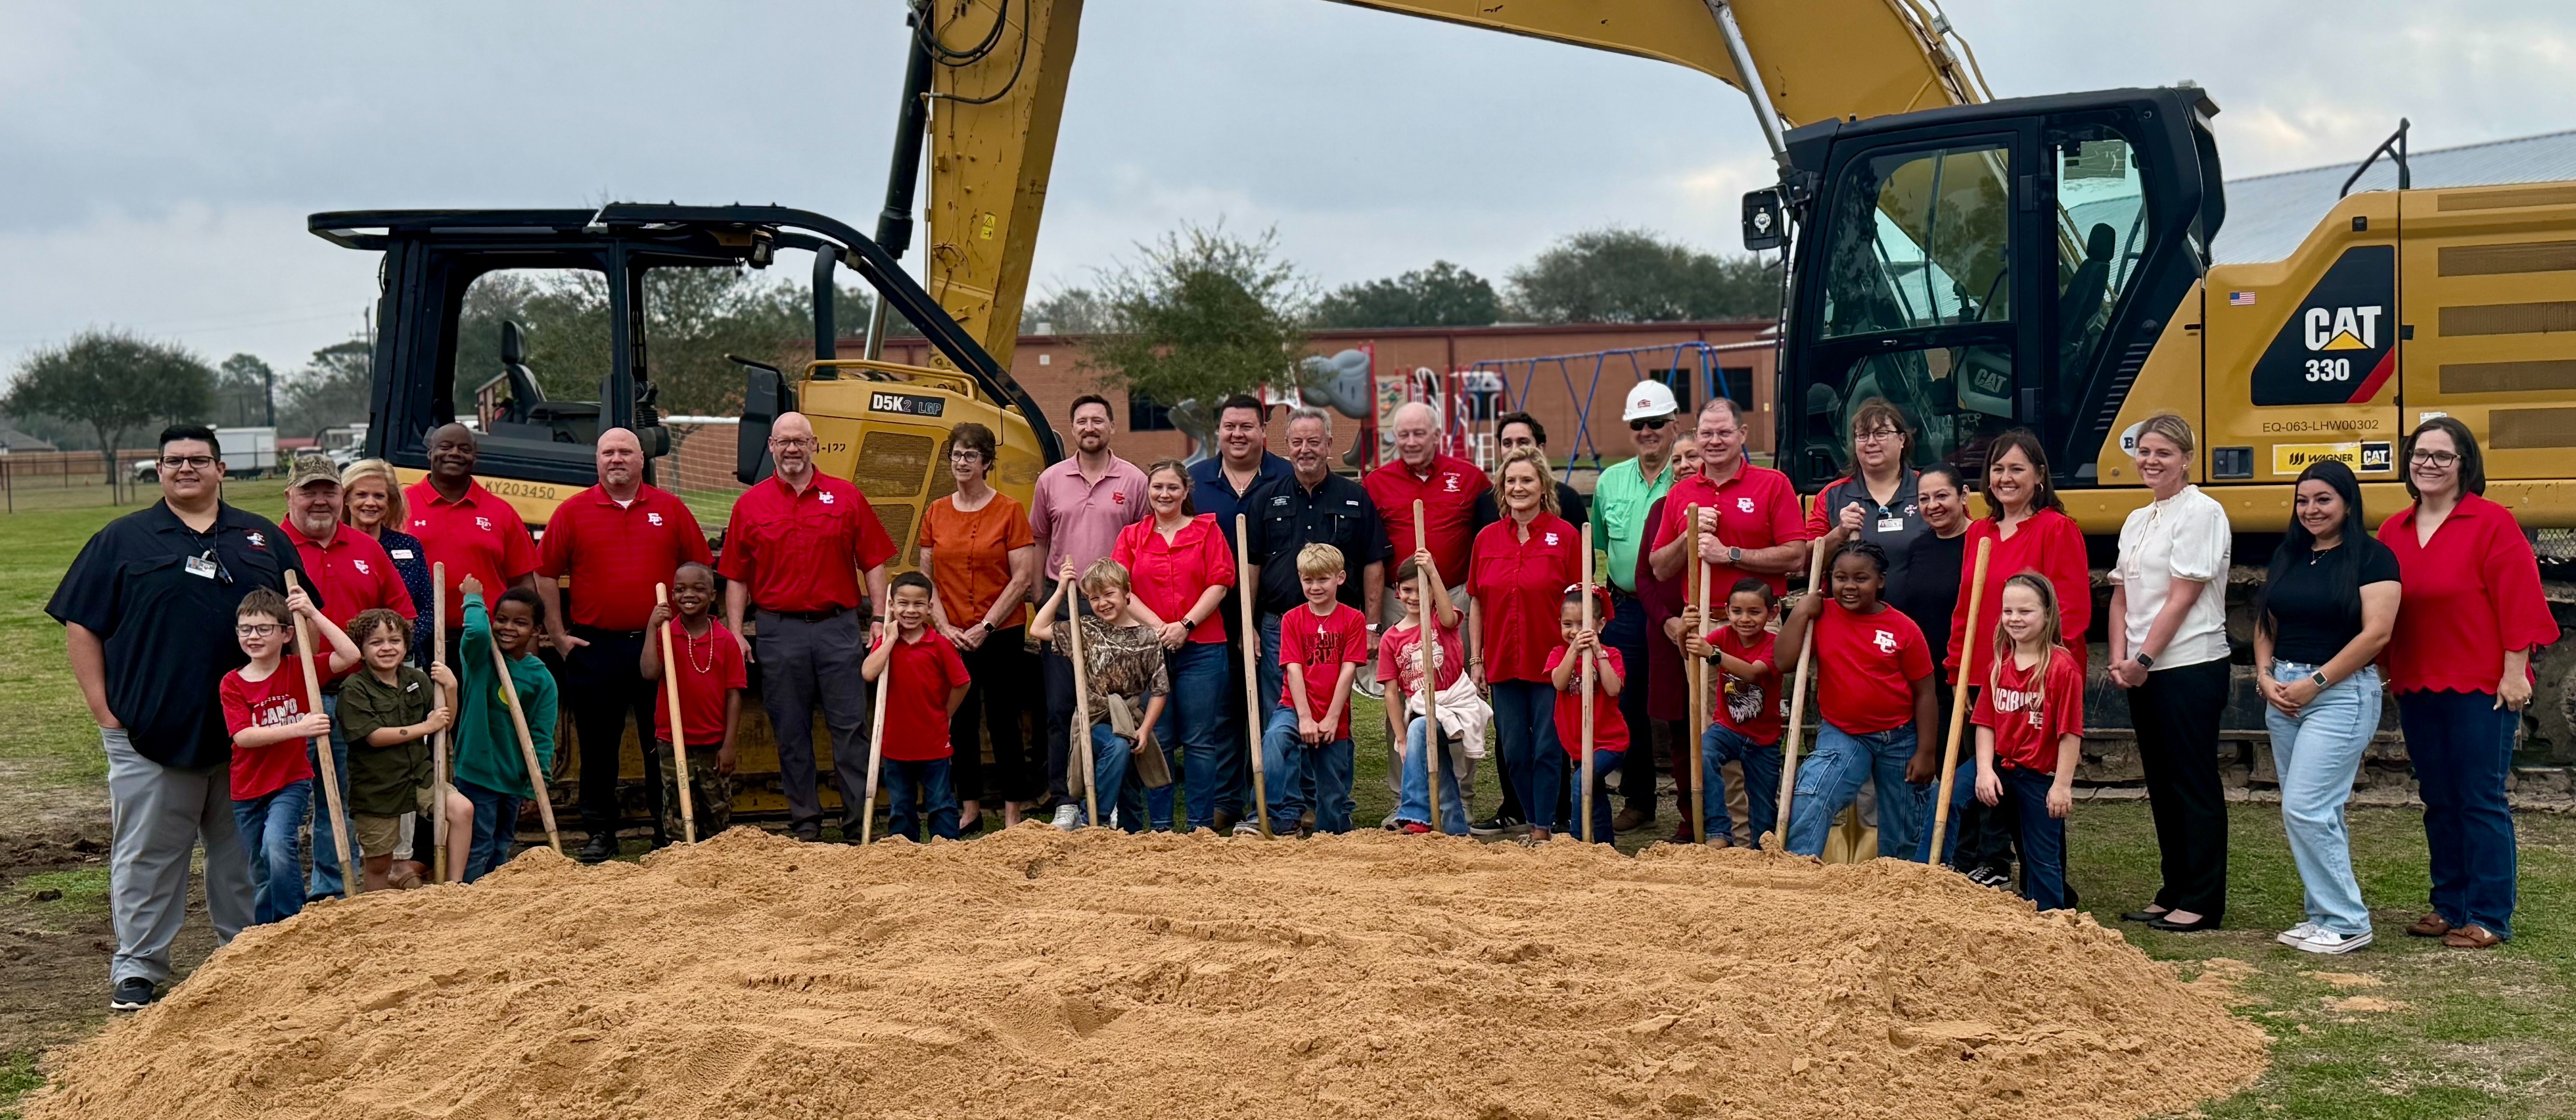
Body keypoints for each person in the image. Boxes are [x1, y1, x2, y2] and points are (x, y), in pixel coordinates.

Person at [49, 424, 311, 1012]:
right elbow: (81, 623)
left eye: (198, 459)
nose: (185, 468)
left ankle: (244, 957)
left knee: (243, 857)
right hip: (150, 733)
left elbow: (301, 619)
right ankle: (138, 970)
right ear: (159, 470)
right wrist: (104, 711)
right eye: (173, 460)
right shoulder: (122, 539)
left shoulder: (261, 537)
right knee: (147, 858)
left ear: (222, 469)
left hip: (254, 738)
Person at [2379, 417, 2557, 949]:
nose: (2428, 464)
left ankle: (2487, 914)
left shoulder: (2492, 522)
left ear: (2464, 465)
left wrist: (2513, 671)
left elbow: (2519, 600)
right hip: (2418, 682)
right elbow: (2384, 605)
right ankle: (2448, 903)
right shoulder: (2394, 529)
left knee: (2480, 798)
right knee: (2438, 797)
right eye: (2420, 454)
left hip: (2483, 683)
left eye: (2442, 455)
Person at [538, 427, 714, 862]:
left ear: (641, 459)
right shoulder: (573, 512)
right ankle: (601, 832)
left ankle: (666, 827)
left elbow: (701, 569)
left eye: (625, 452)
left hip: (660, 646)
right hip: (595, 647)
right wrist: (558, 635)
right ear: (597, 460)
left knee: (662, 739)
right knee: (599, 745)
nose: (616, 459)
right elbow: (544, 573)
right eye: (608, 452)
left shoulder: (670, 509)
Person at [719, 411, 896, 842]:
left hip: (838, 629)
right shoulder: (750, 505)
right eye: (785, 442)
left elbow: (873, 561)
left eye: (801, 441)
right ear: (772, 447)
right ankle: (806, 824)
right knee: (791, 730)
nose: (793, 448)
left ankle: (859, 825)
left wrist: (878, 618)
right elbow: (737, 576)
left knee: (850, 728)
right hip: (779, 631)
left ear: (815, 444)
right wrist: (738, 631)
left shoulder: (847, 497)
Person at [2255, 460, 2401, 954]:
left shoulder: (2374, 558)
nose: (2311, 509)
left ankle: (2347, 920)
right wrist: (2264, 674)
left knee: (2306, 805)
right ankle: (2323, 914)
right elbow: (2266, 621)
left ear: (2347, 502)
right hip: (2285, 692)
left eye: (2323, 499)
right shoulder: (2290, 554)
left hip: (2340, 694)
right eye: (2303, 500)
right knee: (2317, 809)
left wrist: (2316, 682)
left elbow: (2377, 633)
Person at [2105, 415, 2230, 932]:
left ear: (2187, 459)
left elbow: (2184, 595)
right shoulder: (2138, 518)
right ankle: (2173, 887)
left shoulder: (2202, 512)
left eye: (2164, 453)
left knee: (2192, 782)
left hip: (2189, 664)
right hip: (2143, 668)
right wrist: (2120, 657)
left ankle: (2202, 897)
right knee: (2161, 781)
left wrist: (2145, 658)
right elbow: (2121, 595)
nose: (2152, 461)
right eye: (2145, 452)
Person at [280, 453, 418, 900]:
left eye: (328, 491)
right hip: (289, 696)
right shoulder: (270, 547)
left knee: (339, 798)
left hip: (355, 698)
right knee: (280, 800)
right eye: (309, 491)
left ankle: (330, 889)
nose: (320, 501)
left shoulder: (366, 549)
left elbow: (403, 615)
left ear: (341, 496)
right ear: (290, 496)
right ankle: (274, 901)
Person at [1776, 541, 1939, 860]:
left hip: (1899, 736)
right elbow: (1782, 661)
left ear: (1881, 581)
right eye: (1840, 577)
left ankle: (1900, 881)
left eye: (1861, 578)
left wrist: (1927, 751)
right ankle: (1797, 869)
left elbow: (1925, 693)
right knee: (1813, 791)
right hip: (1844, 733)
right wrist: (1799, 612)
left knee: (1905, 820)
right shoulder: (1820, 617)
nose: (1849, 586)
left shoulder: (1904, 629)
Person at [1030, 395, 1150, 829]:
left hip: (1115, 607)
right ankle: (1066, 800)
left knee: (1117, 707)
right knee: (1062, 708)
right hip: (1064, 604)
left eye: (1098, 419)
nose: (1090, 426)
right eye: (1082, 420)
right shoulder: (1051, 479)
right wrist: (1039, 594)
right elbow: (1040, 540)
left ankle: (1112, 798)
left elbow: (1141, 543)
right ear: (1073, 428)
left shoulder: (1135, 480)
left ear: (1112, 427)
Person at [915, 422, 1040, 829]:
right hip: (951, 633)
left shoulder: (1009, 510)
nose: (962, 461)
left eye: (971, 455)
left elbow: (1021, 578)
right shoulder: (936, 511)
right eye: (956, 454)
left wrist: (985, 626)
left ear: (987, 462)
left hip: (1000, 632)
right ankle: (968, 806)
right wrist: (946, 626)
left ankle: (1012, 810)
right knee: (959, 720)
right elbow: (926, 577)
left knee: (1003, 720)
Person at [1245, 408, 1389, 737]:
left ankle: (1333, 787)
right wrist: (1249, 625)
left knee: (1335, 713)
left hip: (1339, 626)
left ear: (1329, 444)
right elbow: (1252, 565)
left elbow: (1373, 563)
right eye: (1297, 442)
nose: (1305, 449)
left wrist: (1371, 625)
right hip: (1278, 626)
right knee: (1280, 711)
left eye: (1314, 441)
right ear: (1286, 445)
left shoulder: (1356, 497)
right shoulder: (1266, 499)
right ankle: (1287, 786)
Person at [1114, 459, 1240, 831]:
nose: (1164, 494)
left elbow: (1220, 582)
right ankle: (1163, 827)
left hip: (1202, 646)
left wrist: (1185, 625)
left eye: (1172, 487)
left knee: (1201, 739)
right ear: (1148, 492)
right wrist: (1159, 626)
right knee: (1158, 736)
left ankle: (1201, 825)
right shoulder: (1132, 536)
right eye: (1158, 488)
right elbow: (1122, 589)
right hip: (1150, 649)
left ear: (1186, 491)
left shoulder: (1207, 531)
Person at [1189, 394, 1296, 830]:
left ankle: (1275, 800)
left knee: (1275, 709)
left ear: (1263, 432)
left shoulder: (1286, 476)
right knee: (1224, 712)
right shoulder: (1195, 481)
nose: (1237, 434)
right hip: (1210, 615)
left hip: (1270, 616)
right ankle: (1226, 801)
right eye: (1229, 426)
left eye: (1247, 427)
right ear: (1218, 431)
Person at [221, 586, 358, 924]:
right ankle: (267, 928)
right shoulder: (233, 683)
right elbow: (244, 736)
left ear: (286, 634)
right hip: (247, 788)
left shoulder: (301, 670)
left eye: (264, 628)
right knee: (261, 866)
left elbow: (351, 654)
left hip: (290, 781)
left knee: (277, 846)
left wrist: (313, 612)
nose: (254, 636)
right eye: (246, 629)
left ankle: (291, 920)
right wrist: (301, 727)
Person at [1467, 447, 1583, 841]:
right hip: (1503, 661)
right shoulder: (1486, 539)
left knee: (1549, 749)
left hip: (1552, 661)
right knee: (1514, 751)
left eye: (1527, 480)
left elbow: (1582, 602)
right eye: (1511, 481)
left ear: (1543, 486)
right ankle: (1533, 817)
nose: (1518, 487)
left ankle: (1542, 829)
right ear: (1502, 488)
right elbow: (1478, 602)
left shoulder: (1565, 536)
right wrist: (1476, 658)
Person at [1587, 386, 1682, 835]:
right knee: (1627, 704)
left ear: (1674, 425)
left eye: (1657, 423)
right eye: (1639, 425)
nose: (1647, 432)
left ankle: (1694, 804)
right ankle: (1639, 798)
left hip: (1674, 606)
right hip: (1626, 606)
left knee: (1680, 703)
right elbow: (1605, 545)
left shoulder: (1686, 476)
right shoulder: (1610, 481)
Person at [1970, 574, 2086, 911]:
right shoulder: (1998, 665)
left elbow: (2070, 733)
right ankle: (1943, 890)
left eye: (2026, 610)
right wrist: (1982, 771)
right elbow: (1985, 724)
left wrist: (2062, 786)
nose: (2015, 618)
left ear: (2048, 615)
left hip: (2037, 773)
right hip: (1997, 766)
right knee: (1949, 801)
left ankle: (2052, 916)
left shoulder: (2062, 668)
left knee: (2041, 853)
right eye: (2008, 610)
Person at [1030, 558, 1170, 831]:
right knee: (1117, 745)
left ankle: (1129, 833)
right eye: (1094, 598)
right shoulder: (1086, 630)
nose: (1102, 603)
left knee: (1129, 779)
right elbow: (1037, 628)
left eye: (1109, 594)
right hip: (1093, 720)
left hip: (1131, 720)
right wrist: (1060, 590)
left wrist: (1145, 730)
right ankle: (1096, 818)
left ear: (1127, 593)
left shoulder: (1146, 637)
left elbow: (1160, 689)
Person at [335, 607, 466, 890]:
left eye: (394, 641)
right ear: (361, 648)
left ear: (406, 645)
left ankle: (454, 888)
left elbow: (443, 722)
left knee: (462, 810)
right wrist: (424, 728)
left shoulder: (416, 680)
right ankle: (377, 916)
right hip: (378, 787)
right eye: (376, 642)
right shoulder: (354, 688)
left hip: (418, 775)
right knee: (380, 862)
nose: (387, 648)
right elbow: (374, 737)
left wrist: (452, 688)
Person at [449, 576, 558, 881]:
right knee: (478, 844)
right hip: (478, 773)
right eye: (502, 620)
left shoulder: (542, 679)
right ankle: (471, 900)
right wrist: (473, 598)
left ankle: (496, 903)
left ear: (537, 630)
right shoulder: (480, 658)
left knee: (501, 845)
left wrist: (537, 786)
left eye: (520, 623)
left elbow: (542, 736)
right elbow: (476, 632)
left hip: (514, 778)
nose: (508, 628)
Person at [1259, 544, 1370, 836]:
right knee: (1274, 739)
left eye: (1323, 579)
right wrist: (1304, 717)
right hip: (1294, 707)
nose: (1315, 586)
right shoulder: (1293, 618)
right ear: (1300, 578)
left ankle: (1331, 834)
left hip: (1334, 712)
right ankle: (1270, 813)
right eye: (1308, 580)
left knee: (1332, 795)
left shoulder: (1353, 619)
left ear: (1340, 578)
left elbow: (1348, 670)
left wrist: (1332, 717)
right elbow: (1293, 668)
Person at [861, 572, 975, 843]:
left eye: (918, 604)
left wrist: (946, 715)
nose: (910, 611)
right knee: (901, 806)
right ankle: (904, 853)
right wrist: (889, 640)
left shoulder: (939, 645)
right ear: (891, 606)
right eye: (903, 604)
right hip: (894, 744)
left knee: (940, 802)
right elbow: (868, 673)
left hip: (933, 743)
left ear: (929, 608)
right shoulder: (886, 644)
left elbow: (962, 683)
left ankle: (946, 852)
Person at [1642, 433, 1715, 845]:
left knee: (1716, 726)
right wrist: (1668, 622)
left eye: (1693, 455)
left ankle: (1722, 817)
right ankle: (1690, 820)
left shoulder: (1719, 507)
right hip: (1670, 633)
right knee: (1681, 729)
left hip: (1712, 627)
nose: (1685, 464)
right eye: (1678, 458)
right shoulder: (1662, 510)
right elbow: (1644, 575)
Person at [640, 562, 748, 841]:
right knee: (677, 809)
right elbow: (649, 673)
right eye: (681, 590)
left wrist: (729, 746)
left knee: (717, 811)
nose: (689, 595)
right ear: (672, 596)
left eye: (699, 589)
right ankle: (678, 862)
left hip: (713, 743)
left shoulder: (725, 641)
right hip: (673, 741)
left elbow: (734, 695)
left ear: (713, 595)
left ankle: (715, 865)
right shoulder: (667, 634)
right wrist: (653, 628)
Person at [404, 423, 539, 641]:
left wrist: (527, 648)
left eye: (464, 449)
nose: (455, 453)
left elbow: (523, 583)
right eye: (446, 447)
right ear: (430, 453)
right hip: (415, 639)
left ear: (475, 457)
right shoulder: (401, 506)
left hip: (487, 640)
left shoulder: (501, 512)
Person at [1380, 551, 1481, 835]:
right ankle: (1455, 829)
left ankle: (1414, 812)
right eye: (1407, 590)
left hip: (1455, 703)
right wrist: (1401, 740)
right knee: (1435, 756)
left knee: (1421, 728)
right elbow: (1391, 694)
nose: (1414, 597)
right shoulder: (1392, 638)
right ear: (1397, 592)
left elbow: (1450, 617)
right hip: (1422, 708)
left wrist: (1433, 572)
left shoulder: (1440, 622)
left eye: (1422, 590)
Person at [1687, 578, 1785, 848]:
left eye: (1755, 612)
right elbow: (1691, 653)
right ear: (1727, 610)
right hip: (1728, 729)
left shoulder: (1774, 645)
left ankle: (1760, 853)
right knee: (1703, 754)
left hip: (1763, 741)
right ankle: (1718, 831)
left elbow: (1753, 673)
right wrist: (1686, 630)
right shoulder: (1723, 636)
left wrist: (1714, 655)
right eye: (1737, 612)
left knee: (1763, 811)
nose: (1745, 619)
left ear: (1772, 613)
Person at [1549, 586, 1629, 845]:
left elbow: (1613, 688)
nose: (1575, 631)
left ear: (1601, 625)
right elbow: (1559, 683)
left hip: (1610, 740)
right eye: (1567, 624)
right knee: (1595, 791)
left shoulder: (1612, 654)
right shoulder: (1559, 654)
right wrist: (1573, 651)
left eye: (1583, 624)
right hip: (1577, 743)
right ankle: (1606, 845)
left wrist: (1598, 653)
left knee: (1583, 781)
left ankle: (1576, 841)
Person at [342, 458, 437, 664]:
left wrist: (399, 645)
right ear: (346, 499)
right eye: (361, 495)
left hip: (403, 661)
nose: (370, 503)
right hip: (349, 661)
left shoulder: (409, 546)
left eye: (379, 496)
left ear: (390, 502)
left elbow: (427, 608)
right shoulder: (333, 547)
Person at [1498, 410, 1588, 529]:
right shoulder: (1485, 503)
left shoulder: (1568, 500)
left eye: (1523, 442)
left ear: (1541, 448)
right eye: (1507, 444)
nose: (1515, 449)